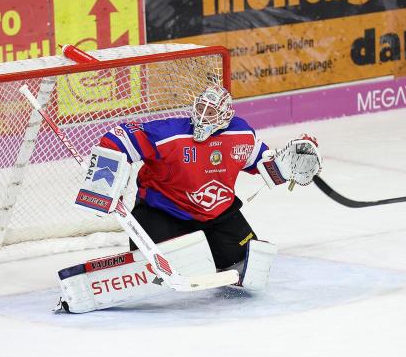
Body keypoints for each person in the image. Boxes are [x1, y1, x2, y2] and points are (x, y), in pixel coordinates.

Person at [56, 84, 322, 312]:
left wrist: (285, 167)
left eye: (212, 112)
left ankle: (211, 248)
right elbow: (119, 138)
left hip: (218, 214)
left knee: (249, 264)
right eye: (202, 108)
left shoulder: (241, 135)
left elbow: (261, 164)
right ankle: (166, 251)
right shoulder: (170, 133)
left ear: (226, 116)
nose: (203, 116)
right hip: (164, 212)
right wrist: (104, 177)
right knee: (159, 267)